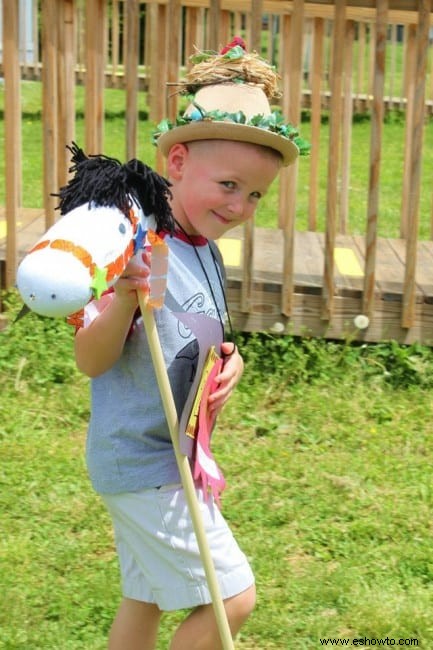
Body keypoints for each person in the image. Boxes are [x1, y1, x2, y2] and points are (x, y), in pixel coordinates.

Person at [74, 39, 305, 650]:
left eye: (255, 194)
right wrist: (126, 297)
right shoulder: (134, 245)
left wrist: (230, 360)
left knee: (144, 597)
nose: (241, 206)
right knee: (233, 598)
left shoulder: (205, 250)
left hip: (172, 458)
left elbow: (203, 336)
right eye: (228, 185)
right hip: (142, 463)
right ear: (177, 162)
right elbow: (90, 360)